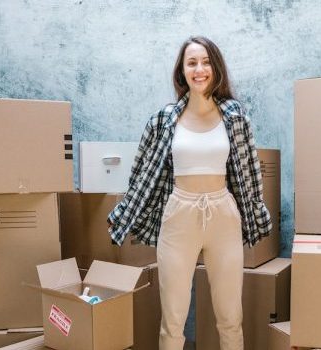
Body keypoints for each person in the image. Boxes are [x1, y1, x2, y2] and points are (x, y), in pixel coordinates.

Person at [108, 35, 272, 350]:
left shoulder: (235, 118)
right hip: (178, 216)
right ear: (182, 71)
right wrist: (125, 210)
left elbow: (251, 172)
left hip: (223, 216)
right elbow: (140, 172)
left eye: (206, 61)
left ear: (217, 67)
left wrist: (255, 210)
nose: (199, 69)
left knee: (230, 318)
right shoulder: (163, 119)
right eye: (192, 62)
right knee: (172, 321)